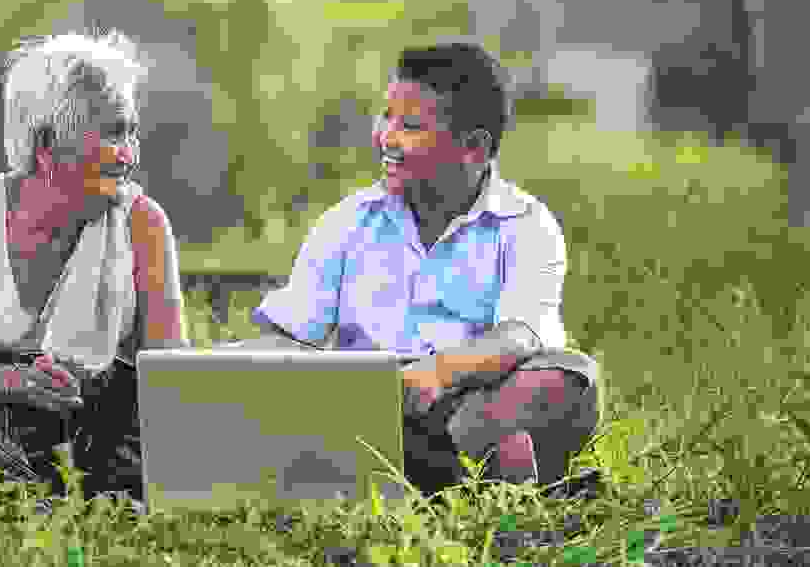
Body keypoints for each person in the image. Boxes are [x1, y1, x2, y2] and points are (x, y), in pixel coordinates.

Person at [247, 42, 600, 501]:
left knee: (568, 378)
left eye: (410, 126)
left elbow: (522, 336)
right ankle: (480, 481)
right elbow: (292, 335)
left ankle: (437, 474)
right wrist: (223, 368)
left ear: (473, 148)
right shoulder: (347, 222)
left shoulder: (526, 224)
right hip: (367, 407)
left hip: (470, 404)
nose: (387, 138)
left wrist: (440, 372)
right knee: (289, 398)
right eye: (386, 117)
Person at [0, 29, 189, 501]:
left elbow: (172, 378)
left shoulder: (144, 222)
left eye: (131, 132)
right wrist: (19, 383)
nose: (129, 155)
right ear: (46, 143)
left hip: (98, 442)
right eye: (112, 133)